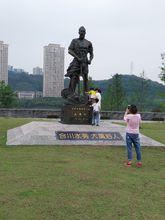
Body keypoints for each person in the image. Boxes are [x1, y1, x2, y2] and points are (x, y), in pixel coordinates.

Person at [65, 26, 94, 95]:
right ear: (78, 32)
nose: (82, 33)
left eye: (83, 31)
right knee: (74, 76)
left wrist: (90, 60)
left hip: (85, 62)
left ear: (85, 33)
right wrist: (77, 58)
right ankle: (71, 93)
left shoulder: (88, 43)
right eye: (81, 31)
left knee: (85, 77)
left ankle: (86, 94)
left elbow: (91, 53)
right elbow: (70, 50)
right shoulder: (74, 41)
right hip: (76, 62)